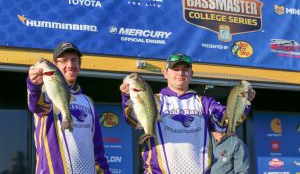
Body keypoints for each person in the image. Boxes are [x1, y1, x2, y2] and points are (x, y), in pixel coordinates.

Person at [119, 53, 255, 174]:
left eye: (185, 70)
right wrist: (127, 97)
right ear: (165, 73)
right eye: (175, 69)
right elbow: (133, 120)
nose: (180, 73)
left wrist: (244, 101)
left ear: (191, 73)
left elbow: (225, 124)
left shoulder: (205, 102)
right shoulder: (153, 99)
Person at [27, 42, 111, 174]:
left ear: (80, 64)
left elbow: (98, 147)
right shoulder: (45, 93)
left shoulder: (88, 101)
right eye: (64, 60)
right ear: (55, 64)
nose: (70, 65)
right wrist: (33, 85)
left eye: (74, 60)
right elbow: (36, 105)